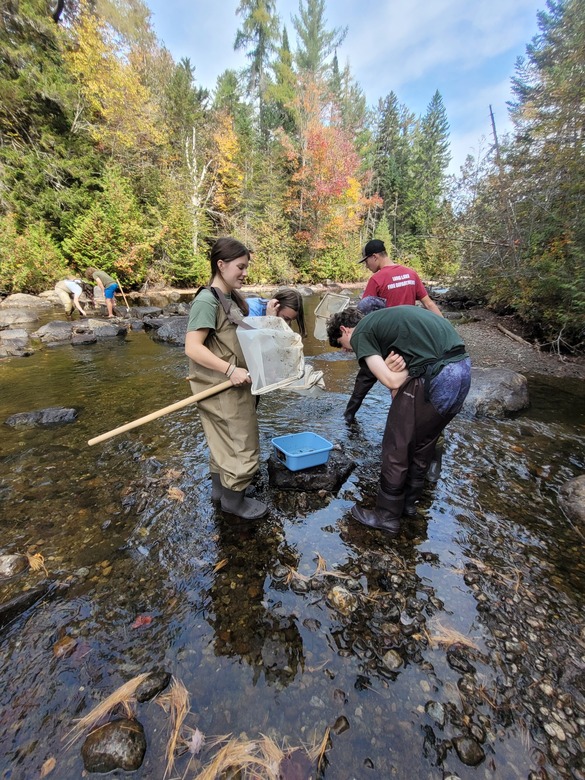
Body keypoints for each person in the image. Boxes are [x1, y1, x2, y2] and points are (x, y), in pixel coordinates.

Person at [327, 305, 471, 536]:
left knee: (396, 447)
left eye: (342, 345)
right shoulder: (384, 322)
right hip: (462, 371)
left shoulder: (362, 332)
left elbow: (392, 381)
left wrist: (413, 369)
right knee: (423, 444)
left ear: (344, 330)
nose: (346, 352)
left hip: (436, 376)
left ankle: (386, 516)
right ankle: (408, 505)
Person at [185, 237, 268, 521]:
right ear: (221, 265)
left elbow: (243, 334)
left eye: (246, 267)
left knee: (222, 441)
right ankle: (234, 503)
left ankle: (220, 493)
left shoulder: (230, 298)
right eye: (240, 267)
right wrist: (231, 371)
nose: (245, 273)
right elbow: (192, 348)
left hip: (235, 387)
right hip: (221, 389)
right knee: (240, 443)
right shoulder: (206, 300)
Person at [345, 239, 443, 425]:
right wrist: (443, 329)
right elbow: (428, 304)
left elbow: (363, 315)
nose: (366, 266)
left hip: (387, 339)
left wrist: (354, 338)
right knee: (407, 380)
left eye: (366, 261)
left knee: (366, 377)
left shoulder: (377, 279)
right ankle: (408, 422)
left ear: (375, 257)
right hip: (413, 340)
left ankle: (349, 416)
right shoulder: (410, 273)